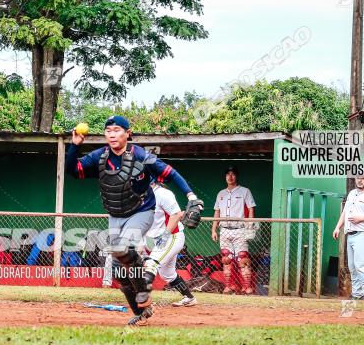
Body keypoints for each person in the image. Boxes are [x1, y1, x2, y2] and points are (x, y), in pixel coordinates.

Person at [67, 115, 202, 325]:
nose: (112, 134)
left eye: (117, 129)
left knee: (122, 248)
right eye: (108, 130)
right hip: (116, 214)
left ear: (128, 133)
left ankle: (144, 278)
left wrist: (191, 197)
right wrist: (74, 146)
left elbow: (170, 173)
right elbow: (73, 171)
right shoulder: (100, 156)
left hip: (141, 211)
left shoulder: (139, 155)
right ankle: (143, 311)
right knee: (118, 272)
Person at [144, 181, 196, 307]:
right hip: (157, 238)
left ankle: (144, 302)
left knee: (151, 264)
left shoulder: (162, 193)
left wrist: (165, 236)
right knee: (167, 274)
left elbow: (177, 214)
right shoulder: (143, 194)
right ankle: (189, 298)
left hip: (172, 236)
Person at [333, 176, 364, 300]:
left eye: (363, 178)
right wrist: (338, 227)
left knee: (360, 265)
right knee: (352, 266)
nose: (360, 180)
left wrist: (361, 218)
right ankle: (356, 293)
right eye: (358, 178)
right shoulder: (352, 193)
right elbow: (345, 212)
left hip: (363, 233)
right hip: (350, 234)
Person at [211, 166, 257, 294]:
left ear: (236, 176)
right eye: (228, 175)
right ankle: (229, 286)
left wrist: (250, 226)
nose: (230, 177)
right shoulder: (221, 193)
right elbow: (217, 212)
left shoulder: (245, 191)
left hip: (240, 229)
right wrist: (213, 230)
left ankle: (247, 287)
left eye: (233, 174)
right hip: (224, 229)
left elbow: (251, 209)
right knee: (226, 259)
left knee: (242, 259)